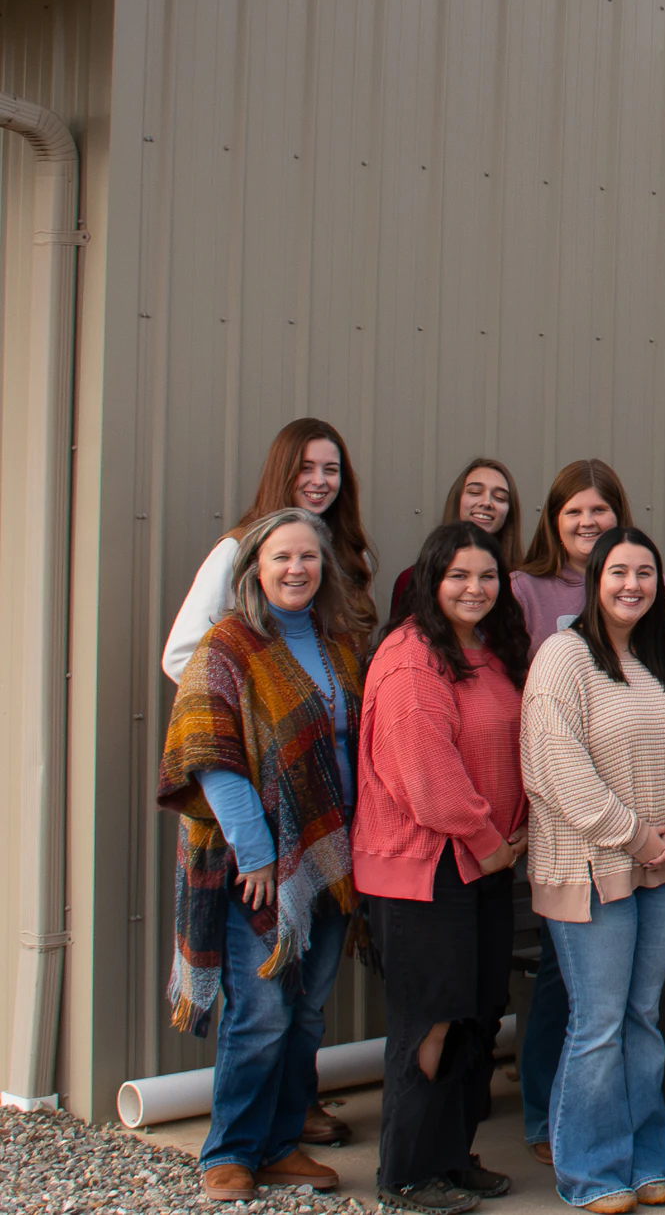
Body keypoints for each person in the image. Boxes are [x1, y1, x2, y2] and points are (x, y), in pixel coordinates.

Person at [157, 508, 366, 1202]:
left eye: (309, 557)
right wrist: (257, 856)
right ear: (254, 568)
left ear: (325, 568)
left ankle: (280, 1145)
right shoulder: (228, 646)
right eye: (282, 557)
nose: (296, 568)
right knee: (263, 1012)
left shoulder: (340, 646)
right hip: (262, 866)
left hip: (331, 859)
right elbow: (209, 755)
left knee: (307, 1011)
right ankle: (230, 1152)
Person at [512, 460, 665, 1163]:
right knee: (596, 1025)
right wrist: (637, 837)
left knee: (644, 1017)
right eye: (618, 572)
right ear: (595, 582)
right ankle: (592, 1169)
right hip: (592, 869)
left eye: (645, 573)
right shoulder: (563, 658)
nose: (632, 585)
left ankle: (646, 1157)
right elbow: (558, 772)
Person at [357, 523, 532, 1214]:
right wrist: (488, 839)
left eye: (487, 576)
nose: (474, 589)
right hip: (427, 867)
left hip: (485, 862)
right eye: (459, 575)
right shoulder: (411, 659)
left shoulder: (487, 650)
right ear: (431, 580)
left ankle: (453, 1156)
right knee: (432, 1020)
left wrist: (511, 835)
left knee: (477, 1016)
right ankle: (407, 1172)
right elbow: (425, 776)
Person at [163, 419, 379, 691]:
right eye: (306, 468)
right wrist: (260, 702)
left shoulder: (353, 555)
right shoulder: (237, 549)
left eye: (331, 470)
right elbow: (182, 656)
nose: (320, 481)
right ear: (282, 473)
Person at [389, 459, 522, 620]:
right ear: (457, 500)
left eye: (499, 497)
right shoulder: (413, 579)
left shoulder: (522, 584)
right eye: (475, 492)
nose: (487, 503)